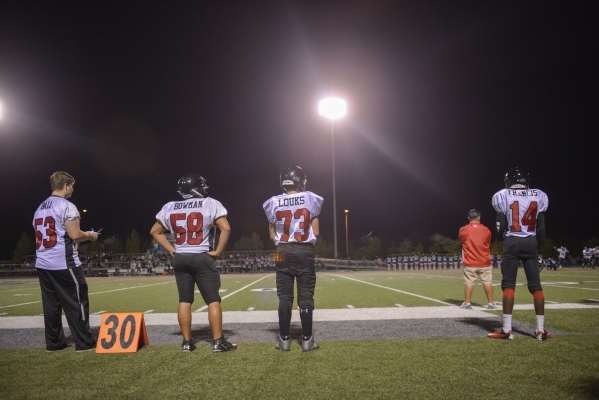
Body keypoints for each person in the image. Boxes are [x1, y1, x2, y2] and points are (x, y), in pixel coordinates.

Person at [150, 173, 236, 353]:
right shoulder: (210, 203)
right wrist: (218, 251)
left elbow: (155, 231)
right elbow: (226, 227)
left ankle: (187, 343)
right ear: (196, 188)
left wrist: (172, 249)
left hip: (181, 257)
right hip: (200, 255)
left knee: (184, 300)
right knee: (213, 300)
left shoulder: (170, 206)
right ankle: (218, 341)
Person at [33, 171, 99, 352]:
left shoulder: (40, 208)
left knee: (51, 306)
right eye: (72, 185)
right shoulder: (67, 206)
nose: (73, 189)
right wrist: (90, 235)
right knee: (77, 301)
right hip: (63, 263)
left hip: (43, 263)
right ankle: (84, 342)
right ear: (65, 185)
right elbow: (75, 235)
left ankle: (54, 343)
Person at [263, 166, 323, 352]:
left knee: (284, 295)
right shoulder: (311, 198)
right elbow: (316, 231)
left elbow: (272, 235)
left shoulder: (273, 202)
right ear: (300, 181)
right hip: (304, 250)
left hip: (283, 250)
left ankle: (284, 340)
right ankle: (307, 340)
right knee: (305, 295)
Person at [488, 167, 551, 340]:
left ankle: (507, 330)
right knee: (536, 286)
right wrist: (540, 252)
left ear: (509, 181)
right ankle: (540, 330)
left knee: (509, 285)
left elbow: (500, 225)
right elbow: (542, 228)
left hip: (512, 242)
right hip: (531, 242)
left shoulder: (502, 195)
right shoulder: (539, 195)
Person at [458, 209, 496, 310]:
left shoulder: (463, 230)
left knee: (469, 282)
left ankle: (467, 303)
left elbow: (462, 240)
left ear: (468, 218)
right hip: (484, 261)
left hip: (470, 261)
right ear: (479, 217)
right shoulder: (486, 230)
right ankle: (491, 303)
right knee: (487, 282)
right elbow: (488, 242)